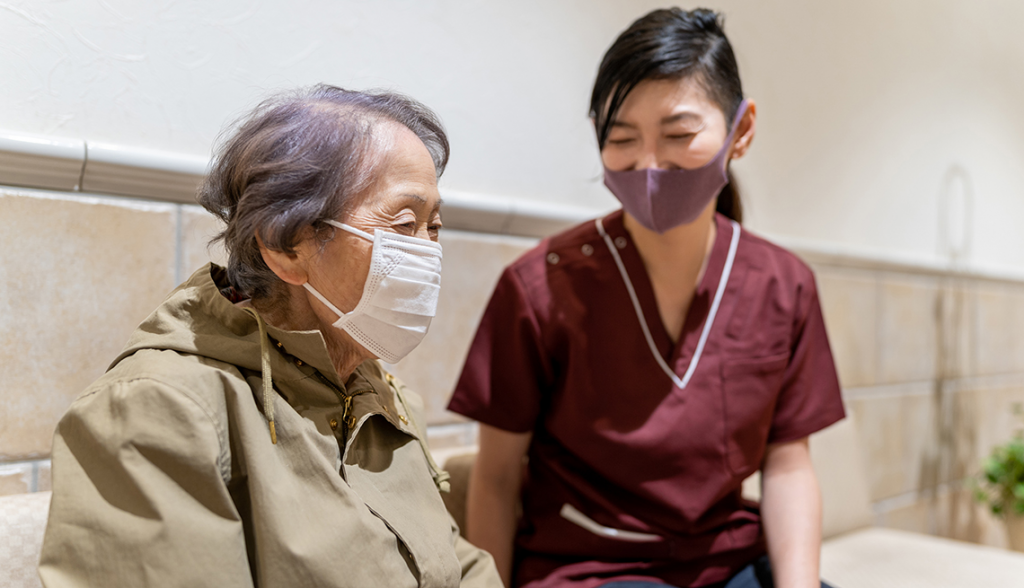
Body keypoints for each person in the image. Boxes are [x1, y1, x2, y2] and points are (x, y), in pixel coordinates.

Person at [39, 85, 502, 588]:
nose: (427, 255)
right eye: (404, 222)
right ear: (286, 246)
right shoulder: (158, 411)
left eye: (433, 228)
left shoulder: (386, 397)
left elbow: (458, 566)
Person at [447, 8, 844, 588]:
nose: (649, 165)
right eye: (622, 138)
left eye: (679, 135)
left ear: (742, 129)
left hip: (727, 564)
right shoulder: (539, 286)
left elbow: (787, 466)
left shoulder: (784, 286)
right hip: (590, 569)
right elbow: (497, 476)